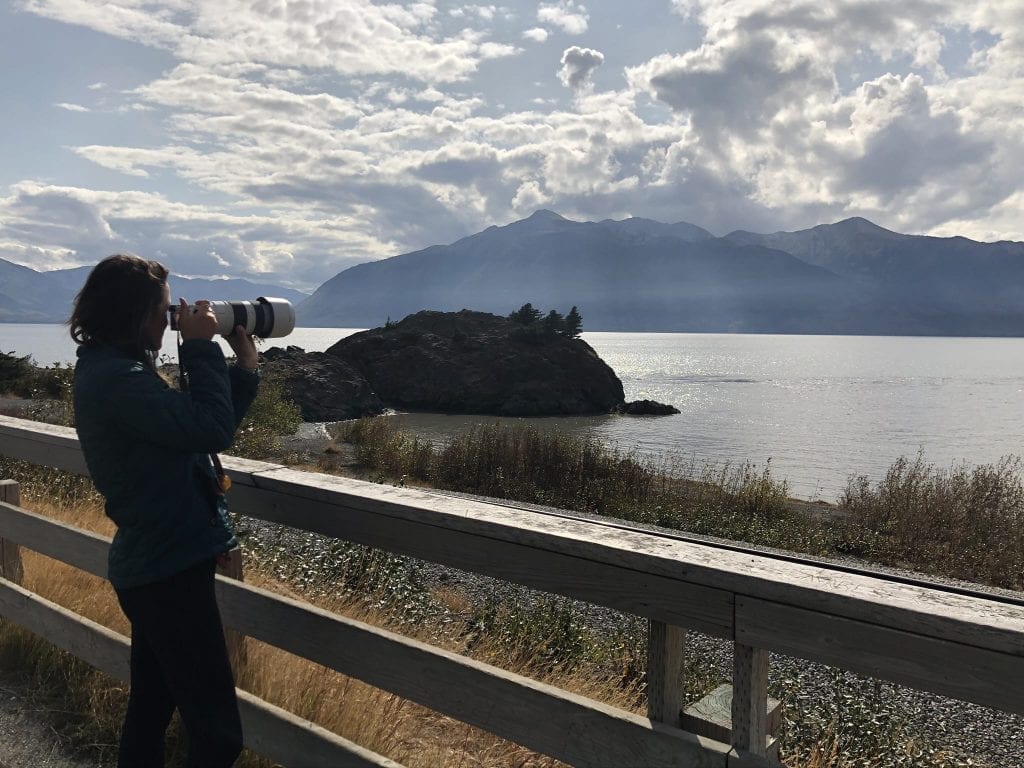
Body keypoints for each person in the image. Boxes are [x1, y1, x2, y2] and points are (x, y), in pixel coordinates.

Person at [69, 254, 260, 768]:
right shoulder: (120, 380)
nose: (170, 319)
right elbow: (208, 428)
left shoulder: (113, 370)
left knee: (152, 708)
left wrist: (243, 370)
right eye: (163, 309)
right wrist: (199, 346)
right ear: (134, 314)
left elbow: (198, 431)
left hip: (159, 565)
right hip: (167, 573)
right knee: (218, 736)